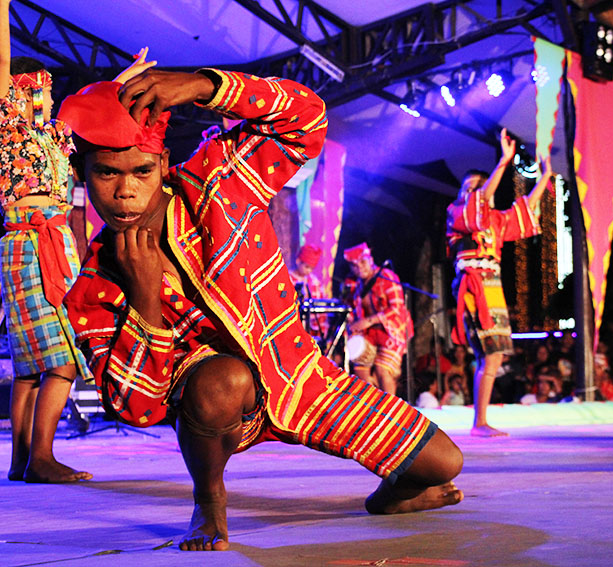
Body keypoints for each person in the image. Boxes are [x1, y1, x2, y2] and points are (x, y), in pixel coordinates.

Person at [59, 68, 463, 551]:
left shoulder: (218, 183)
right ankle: (209, 501)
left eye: (141, 171)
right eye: (107, 172)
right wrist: (144, 299)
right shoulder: (96, 284)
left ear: (163, 164)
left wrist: (203, 86)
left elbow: (306, 119)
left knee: (443, 463)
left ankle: (393, 494)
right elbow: (135, 408)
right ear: (83, 173)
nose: (125, 191)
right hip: (218, 401)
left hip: (302, 382)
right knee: (221, 380)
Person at [0, 1, 153, 483]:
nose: (42, 98)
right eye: (33, 92)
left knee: (30, 365)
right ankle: (41, 456)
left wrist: (127, 76)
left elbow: (98, 107)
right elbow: (4, 67)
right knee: (59, 359)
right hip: (30, 241)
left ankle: (23, 461)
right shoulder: (9, 130)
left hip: (50, 240)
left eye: (45, 90)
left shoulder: (54, 137)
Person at [447, 128, 552, 436]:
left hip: (492, 284)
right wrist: (503, 163)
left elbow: (525, 210)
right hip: (473, 282)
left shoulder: (494, 220)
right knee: (489, 352)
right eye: (470, 187)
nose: (477, 192)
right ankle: (479, 422)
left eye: (480, 187)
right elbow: (479, 202)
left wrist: (544, 177)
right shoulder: (456, 213)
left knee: (493, 354)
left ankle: (481, 421)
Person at [343, 242, 413, 397]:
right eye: (354, 265)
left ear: (370, 259)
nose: (359, 268)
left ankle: (390, 412)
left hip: (392, 330)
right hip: (370, 334)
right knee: (359, 366)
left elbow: (396, 308)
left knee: (382, 369)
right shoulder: (356, 285)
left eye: (362, 262)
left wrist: (368, 321)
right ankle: (371, 406)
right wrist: (352, 323)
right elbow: (352, 309)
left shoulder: (386, 277)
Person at [289, 244, 328, 338]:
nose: (309, 271)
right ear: (298, 261)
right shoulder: (287, 278)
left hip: (311, 330)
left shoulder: (315, 282)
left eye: (311, 268)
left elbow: (321, 307)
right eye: (307, 267)